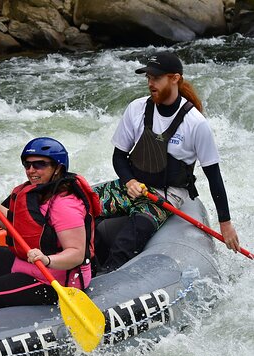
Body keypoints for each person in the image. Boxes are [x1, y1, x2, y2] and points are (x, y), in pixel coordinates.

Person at [94, 51, 241, 272]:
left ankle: (105, 280)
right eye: (148, 78)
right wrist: (129, 181)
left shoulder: (195, 124)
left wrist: (225, 224)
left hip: (164, 195)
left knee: (128, 239)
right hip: (132, 186)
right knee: (80, 206)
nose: (150, 83)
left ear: (175, 78)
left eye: (156, 78)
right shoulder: (137, 108)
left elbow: (214, 176)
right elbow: (119, 156)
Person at [0, 137, 100, 320]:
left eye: (39, 165)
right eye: (27, 165)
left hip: (57, 281)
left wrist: (46, 259)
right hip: (36, 266)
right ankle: (0, 314)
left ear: (58, 168)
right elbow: (10, 222)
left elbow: (76, 254)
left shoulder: (64, 204)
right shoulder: (38, 192)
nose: (31, 170)